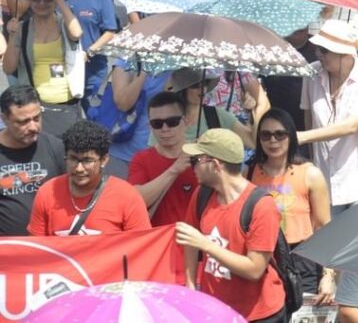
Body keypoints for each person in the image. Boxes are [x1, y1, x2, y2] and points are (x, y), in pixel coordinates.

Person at [177, 128, 287, 322]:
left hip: (259, 314)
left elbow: (255, 269)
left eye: (197, 160)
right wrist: (190, 284)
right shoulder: (202, 195)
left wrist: (206, 245)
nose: (192, 166)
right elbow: (190, 243)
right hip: (217, 310)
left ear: (216, 165)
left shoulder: (261, 206)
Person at [299, 19, 358, 213]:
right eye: (318, 49)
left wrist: (302, 137)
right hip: (325, 180)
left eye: (324, 50)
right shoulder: (311, 73)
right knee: (329, 240)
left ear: (344, 53)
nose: (318, 54)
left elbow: (351, 126)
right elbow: (309, 118)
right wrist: (313, 161)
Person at [248, 109, 334, 302]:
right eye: (266, 135)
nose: (273, 141)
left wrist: (328, 275)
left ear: (291, 136)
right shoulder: (249, 173)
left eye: (280, 134)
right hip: (263, 256)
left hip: (302, 258)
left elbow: (325, 228)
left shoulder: (310, 174)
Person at [28, 119, 151, 235]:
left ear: (104, 160)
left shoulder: (127, 196)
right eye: (73, 159)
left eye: (87, 160)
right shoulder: (47, 193)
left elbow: (140, 247)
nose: (79, 168)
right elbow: (36, 249)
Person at [3, 0, 84, 138]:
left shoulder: (63, 23)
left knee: (64, 154)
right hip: (36, 106)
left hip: (66, 103)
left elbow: (77, 33)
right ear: (30, 0)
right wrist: (12, 36)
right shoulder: (23, 28)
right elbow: (8, 68)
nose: (41, 2)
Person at [0, 86, 65, 236]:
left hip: (49, 247)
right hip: (6, 251)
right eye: (23, 122)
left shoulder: (55, 147)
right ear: (4, 119)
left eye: (37, 118)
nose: (33, 127)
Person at [128, 90, 198, 226]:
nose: (165, 129)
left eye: (172, 122)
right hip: (157, 241)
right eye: (157, 124)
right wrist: (174, 170)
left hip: (195, 241)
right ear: (150, 126)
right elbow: (136, 200)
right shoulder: (142, 159)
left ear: (186, 121)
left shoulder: (201, 156)